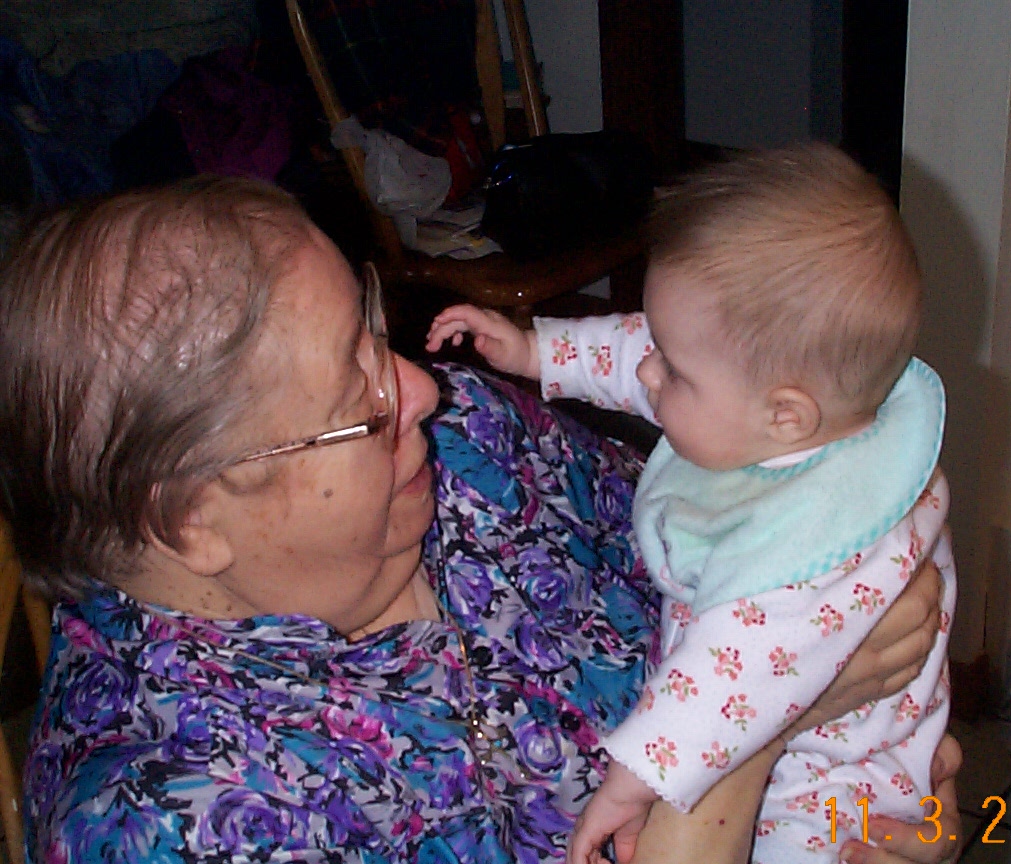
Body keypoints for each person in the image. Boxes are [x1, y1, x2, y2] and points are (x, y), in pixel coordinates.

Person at [0, 175, 962, 864]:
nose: (421, 388)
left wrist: (890, 776)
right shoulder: (169, 822)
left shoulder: (467, 443)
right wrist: (761, 736)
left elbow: (760, 536)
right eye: (359, 398)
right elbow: (783, 659)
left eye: (373, 331)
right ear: (191, 520)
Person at [426, 143, 955, 864]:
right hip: (782, 741)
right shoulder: (788, 408)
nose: (647, 371)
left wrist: (635, 779)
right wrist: (537, 353)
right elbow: (648, 351)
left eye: (672, 370)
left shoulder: (816, 540)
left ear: (786, 417)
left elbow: (729, 672)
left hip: (836, 786)